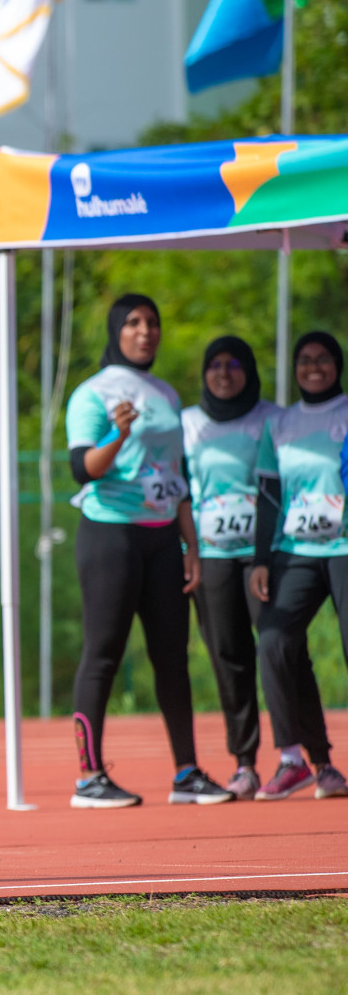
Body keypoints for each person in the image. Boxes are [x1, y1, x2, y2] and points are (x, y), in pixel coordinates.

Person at [64, 293, 233, 808]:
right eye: (134, 323)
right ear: (116, 330)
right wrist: (118, 434)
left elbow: (176, 475)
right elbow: (82, 469)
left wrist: (190, 544)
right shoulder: (91, 393)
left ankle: (186, 774)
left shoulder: (163, 392)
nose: (145, 331)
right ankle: (89, 778)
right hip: (110, 535)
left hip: (164, 539)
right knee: (103, 655)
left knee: (172, 659)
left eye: (152, 323)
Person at [248, 331, 348, 800]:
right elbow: (267, 497)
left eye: (322, 359)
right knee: (273, 639)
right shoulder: (280, 424)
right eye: (304, 360)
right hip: (297, 551)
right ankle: (294, 758)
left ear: (337, 364)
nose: (314, 367)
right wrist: (260, 559)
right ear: (295, 368)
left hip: (344, 548)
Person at [181, 337, 279, 800]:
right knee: (228, 657)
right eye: (215, 364)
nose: (224, 373)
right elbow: (180, 490)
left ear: (249, 370)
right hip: (213, 555)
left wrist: (264, 554)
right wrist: (190, 550)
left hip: (264, 555)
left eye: (234, 364)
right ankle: (245, 763)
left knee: (279, 651)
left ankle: (300, 756)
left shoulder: (270, 418)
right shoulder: (187, 423)